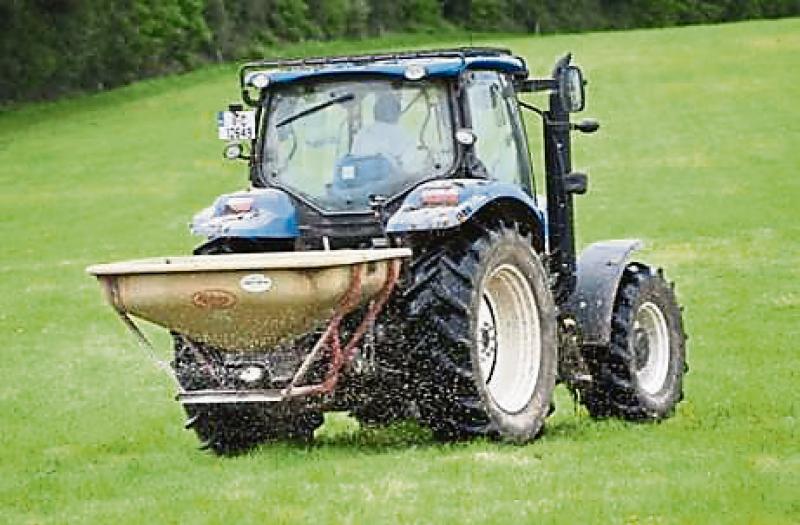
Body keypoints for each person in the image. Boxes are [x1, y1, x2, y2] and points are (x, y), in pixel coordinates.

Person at [351, 92, 421, 173]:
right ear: (397, 113)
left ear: (375, 112)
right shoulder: (404, 137)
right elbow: (409, 169)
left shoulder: (362, 134)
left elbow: (353, 159)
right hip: (392, 184)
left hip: (360, 183)